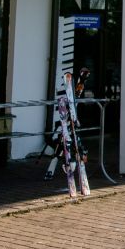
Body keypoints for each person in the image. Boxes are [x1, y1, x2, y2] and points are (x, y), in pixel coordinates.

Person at [53, 70, 90, 200]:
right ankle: (70, 163)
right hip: (68, 123)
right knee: (68, 142)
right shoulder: (66, 101)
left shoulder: (73, 99)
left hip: (72, 121)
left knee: (76, 143)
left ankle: (77, 161)